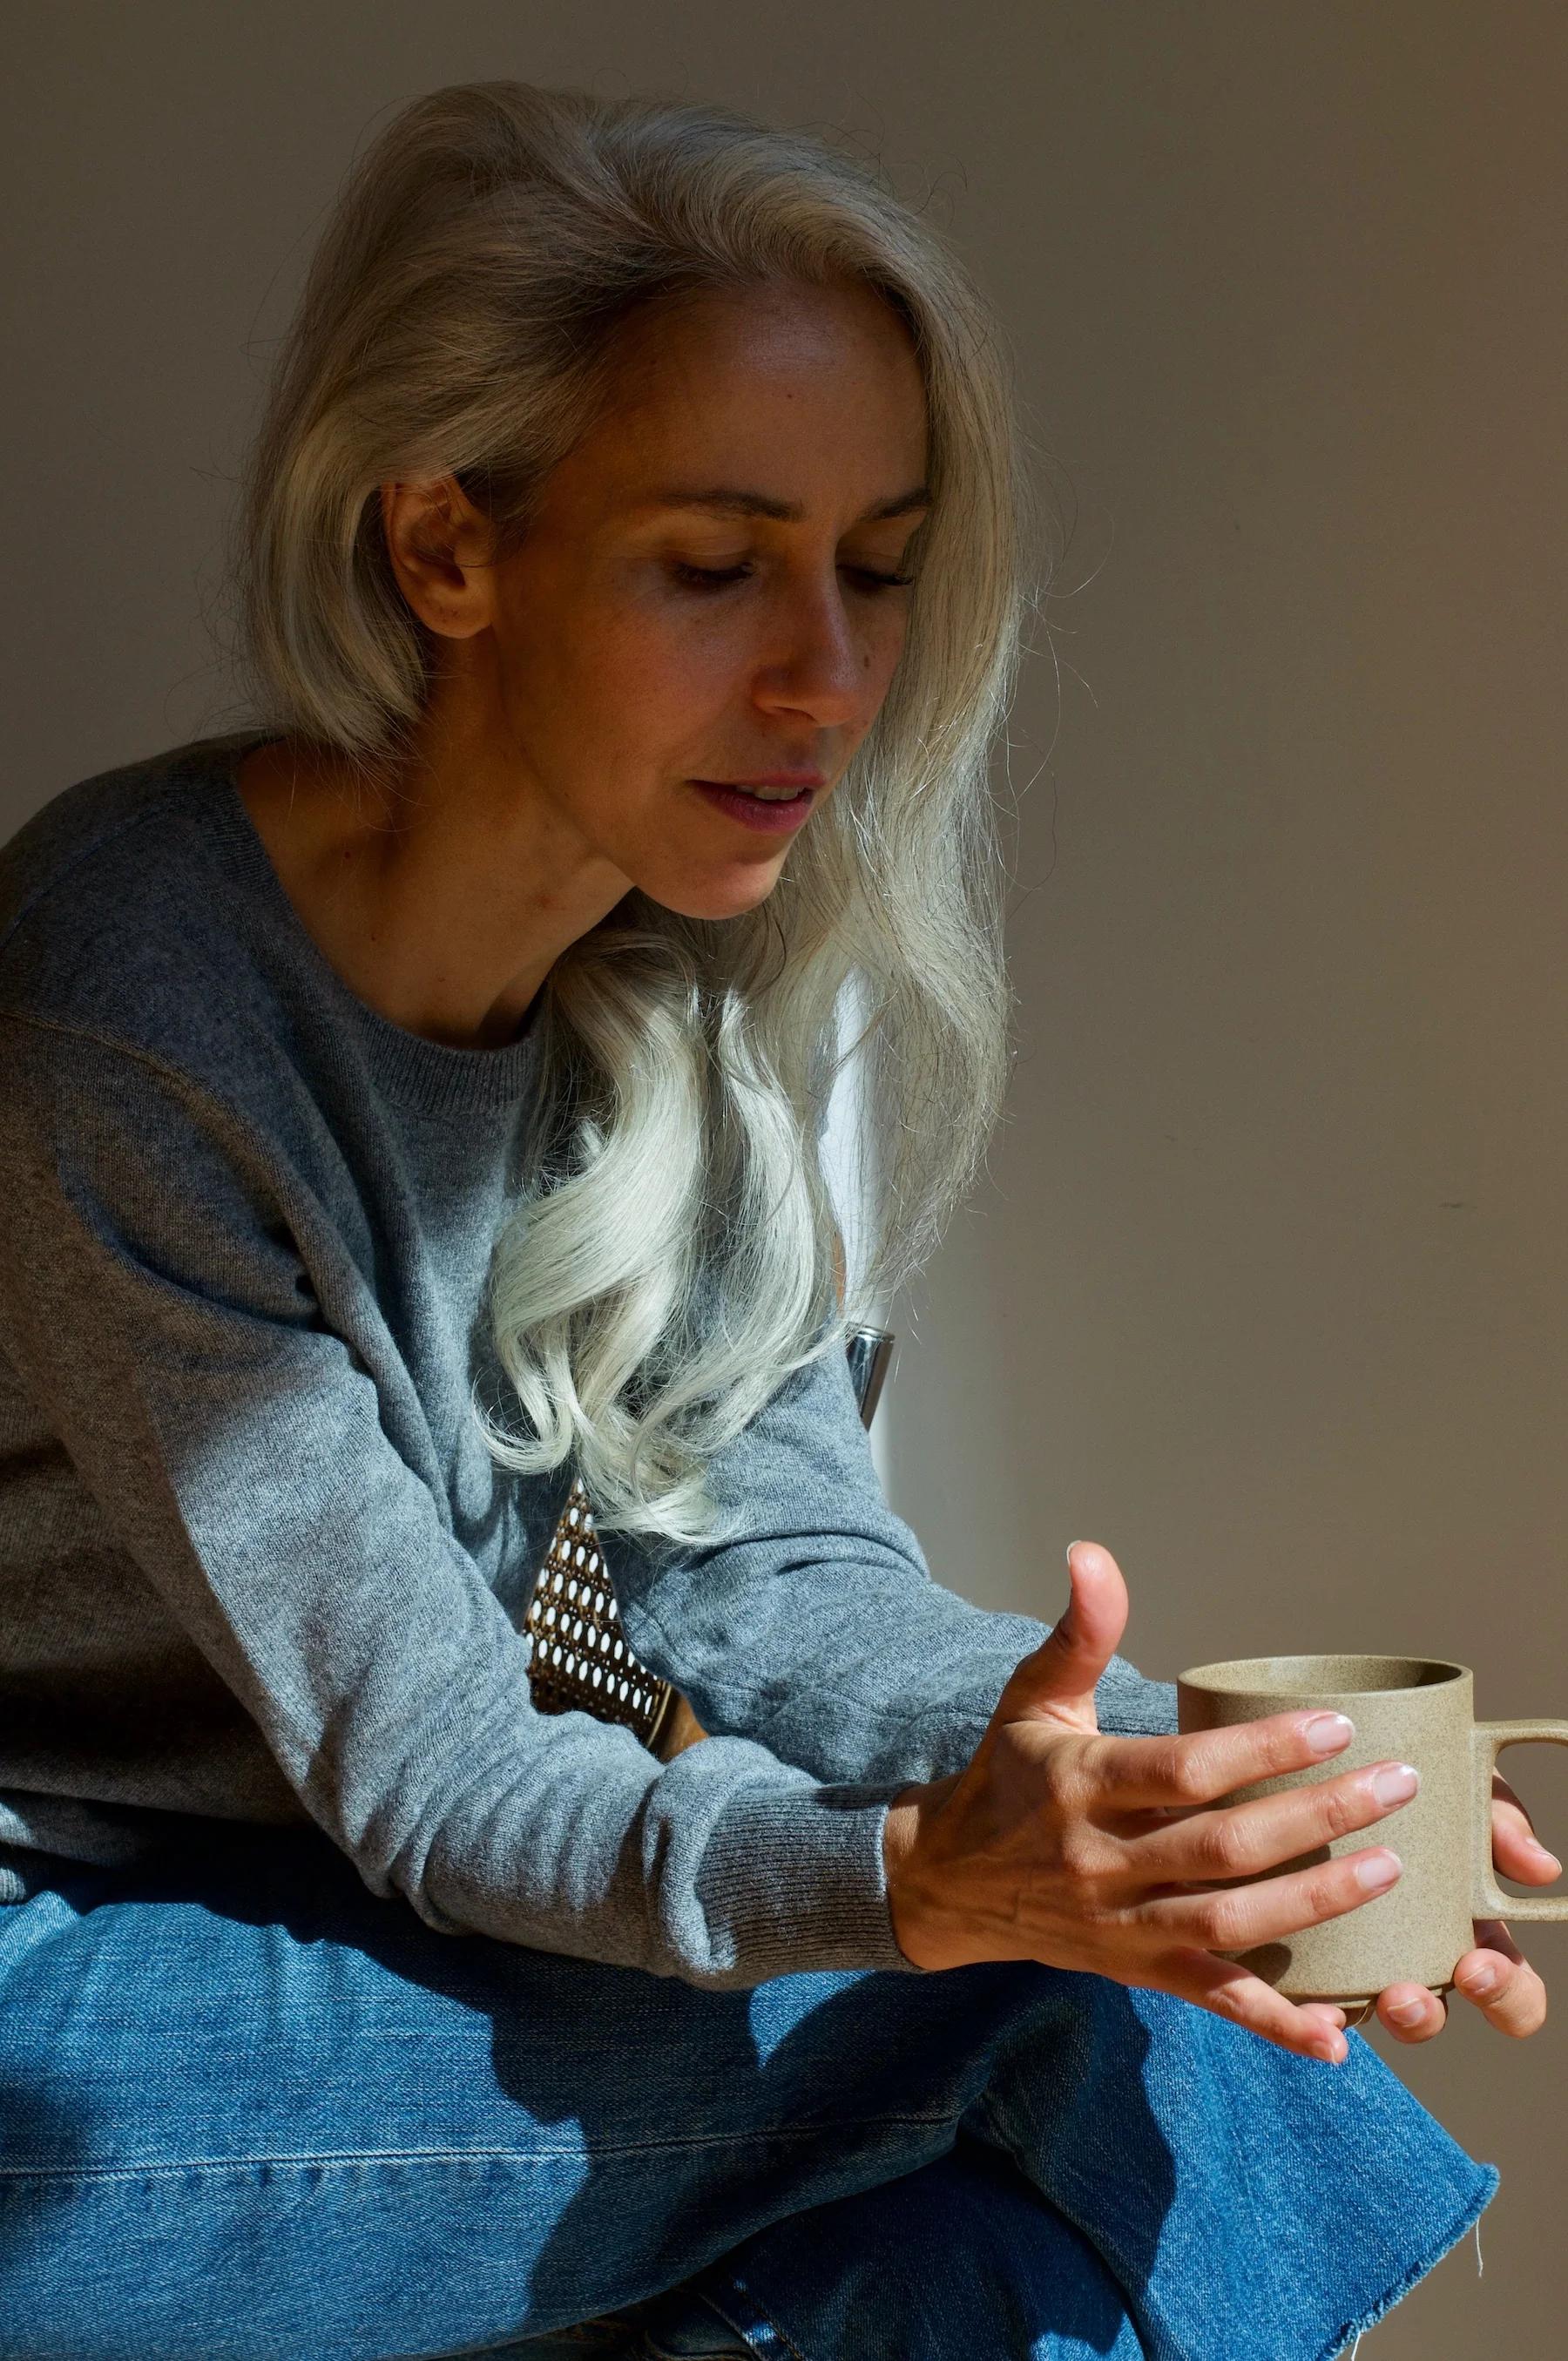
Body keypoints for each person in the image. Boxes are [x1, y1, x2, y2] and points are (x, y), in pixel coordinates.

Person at [0, 79, 1551, 2361]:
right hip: (62, 1993)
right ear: (446, 549)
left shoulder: (688, 950)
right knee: (1049, 2006)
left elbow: (753, 1575)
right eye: (716, 565)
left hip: (330, 1915)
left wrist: (1171, 1793)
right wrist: (944, 1886)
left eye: (879, 560)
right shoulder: (137, 1016)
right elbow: (441, 1762)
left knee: (1116, 2024)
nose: (826, 673)